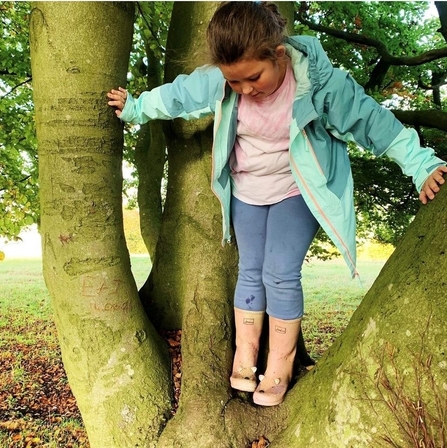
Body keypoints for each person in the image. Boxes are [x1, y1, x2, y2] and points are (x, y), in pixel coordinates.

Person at [108, 1, 447, 406]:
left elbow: (372, 122)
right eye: (235, 83)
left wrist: (421, 165)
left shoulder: (319, 84)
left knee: (280, 272)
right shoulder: (222, 78)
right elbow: (179, 96)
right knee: (250, 271)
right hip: (248, 191)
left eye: (254, 77)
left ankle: (280, 362)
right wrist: (135, 107)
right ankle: (246, 354)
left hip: (296, 189)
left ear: (279, 55)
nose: (246, 89)